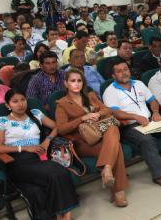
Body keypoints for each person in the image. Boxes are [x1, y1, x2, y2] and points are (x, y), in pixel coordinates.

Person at [0, 89, 78, 220]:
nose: (20, 104)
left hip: (39, 157)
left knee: (59, 172)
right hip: (18, 161)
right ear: (7, 105)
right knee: (54, 174)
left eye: (23, 100)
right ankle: (63, 214)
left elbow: (57, 127)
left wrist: (47, 141)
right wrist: (25, 148)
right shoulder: (2, 121)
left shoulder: (35, 114)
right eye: (15, 101)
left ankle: (64, 215)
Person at [55, 68, 128, 207]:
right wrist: (83, 118)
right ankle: (118, 192)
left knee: (112, 128)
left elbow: (107, 110)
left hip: (101, 134)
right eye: (72, 81)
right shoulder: (62, 104)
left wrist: (98, 114)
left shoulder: (90, 96)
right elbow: (61, 128)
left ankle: (107, 169)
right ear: (66, 83)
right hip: (82, 142)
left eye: (79, 81)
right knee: (115, 147)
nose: (76, 84)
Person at [103, 59, 161, 188]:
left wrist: (155, 112)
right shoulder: (110, 91)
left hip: (150, 121)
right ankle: (159, 175)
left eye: (125, 69)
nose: (124, 73)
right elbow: (115, 113)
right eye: (119, 71)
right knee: (146, 140)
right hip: (129, 126)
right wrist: (135, 116)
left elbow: (153, 100)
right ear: (113, 76)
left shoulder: (138, 84)